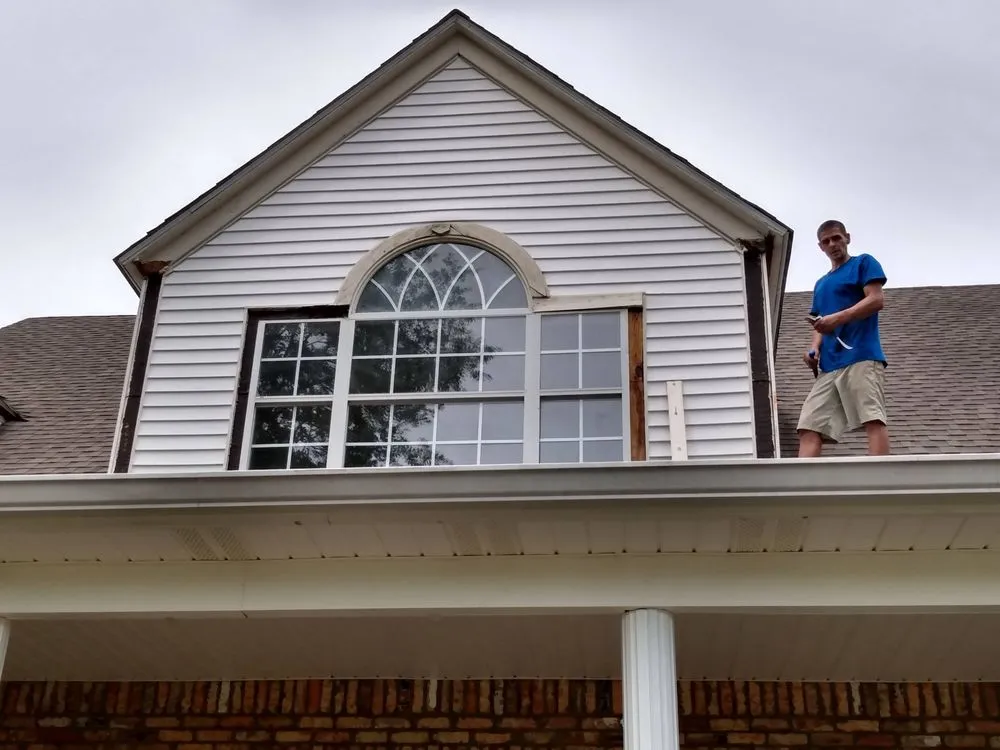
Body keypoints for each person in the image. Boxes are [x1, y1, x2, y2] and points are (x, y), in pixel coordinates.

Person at [797, 219, 890, 457]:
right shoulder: (821, 284)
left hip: (861, 357)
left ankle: (881, 488)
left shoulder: (863, 263)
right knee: (809, 427)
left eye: (837, 238)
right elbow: (819, 322)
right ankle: (802, 491)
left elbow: (876, 299)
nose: (833, 244)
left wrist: (836, 319)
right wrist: (814, 349)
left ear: (847, 237)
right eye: (826, 241)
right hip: (829, 367)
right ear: (821, 247)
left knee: (872, 419)